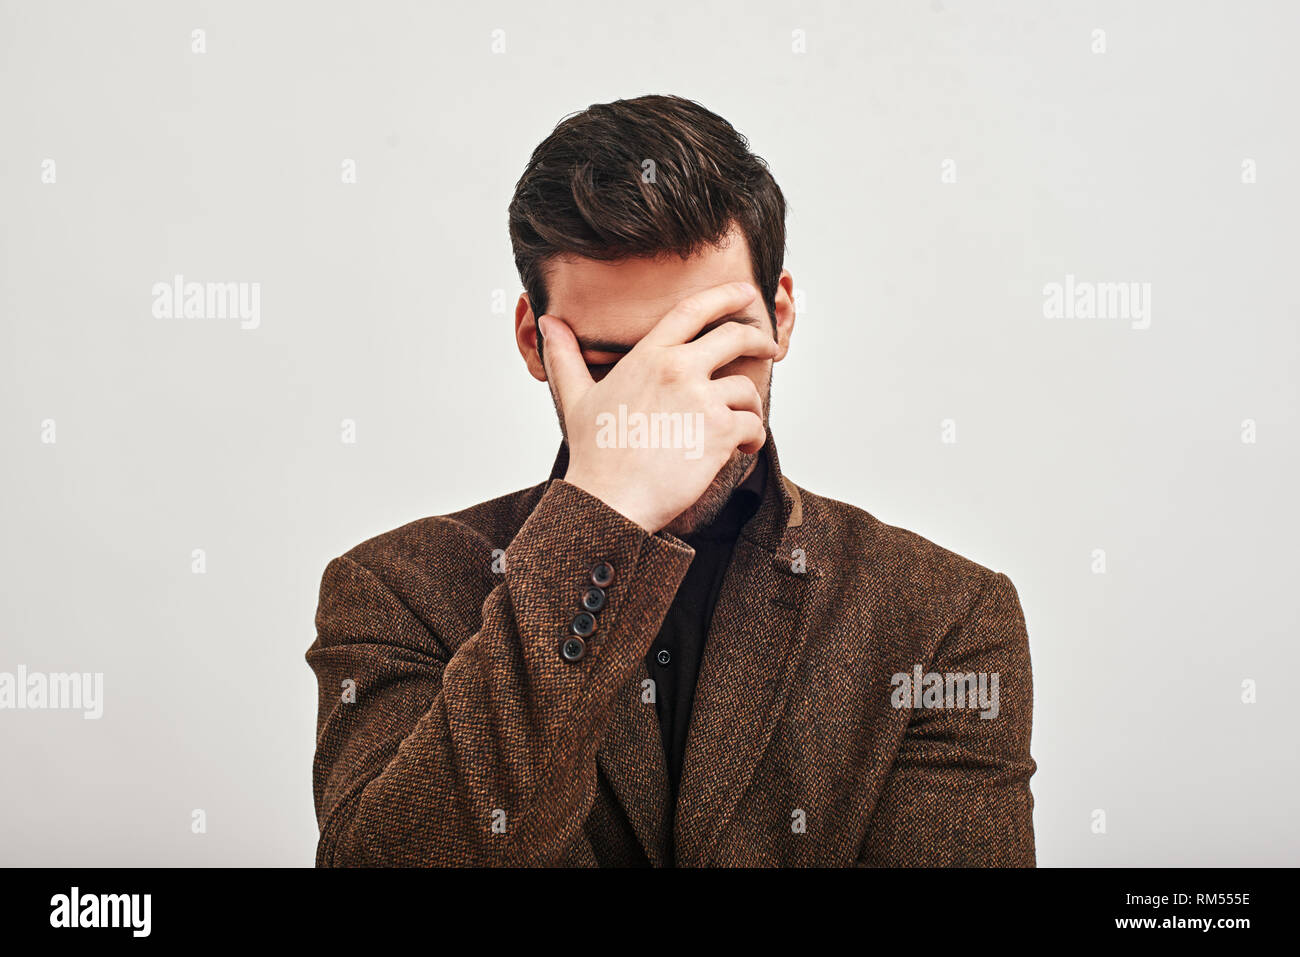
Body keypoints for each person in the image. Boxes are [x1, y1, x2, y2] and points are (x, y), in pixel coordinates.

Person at [306, 94, 1036, 866]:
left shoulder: (944, 617)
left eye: (712, 345)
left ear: (780, 319)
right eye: (618, 365)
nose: (670, 408)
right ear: (532, 341)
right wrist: (601, 515)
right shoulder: (395, 591)